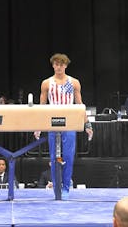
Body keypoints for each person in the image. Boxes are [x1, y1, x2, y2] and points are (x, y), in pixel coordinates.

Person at [34, 53, 93, 198]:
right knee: (54, 157)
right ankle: (56, 188)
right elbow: (42, 106)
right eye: (56, 64)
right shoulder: (46, 83)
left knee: (68, 156)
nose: (59, 67)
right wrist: (38, 126)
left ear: (66, 65)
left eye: (61, 64)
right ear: (53, 65)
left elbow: (80, 105)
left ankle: (66, 187)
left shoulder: (74, 83)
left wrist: (87, 124)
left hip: (69, 122)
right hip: (52, 121)